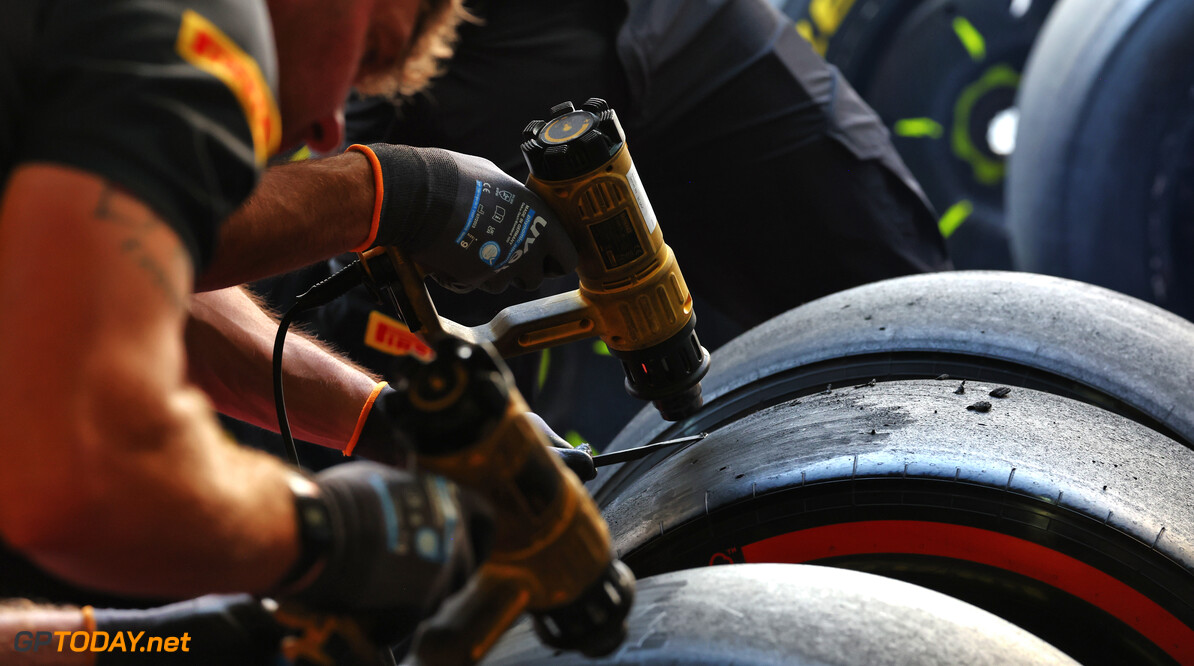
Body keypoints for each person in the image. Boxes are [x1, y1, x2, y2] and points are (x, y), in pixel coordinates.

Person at [0, 0, 546, 662]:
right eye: (369, 50)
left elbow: (111, 273)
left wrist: (385, 422)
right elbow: (83, 465)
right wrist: (329, 533)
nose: (326, 129)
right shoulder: (208, 25)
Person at [234, 0, 954, 447]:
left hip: (677, 28)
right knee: (394, 338)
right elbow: (171, 242)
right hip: (447, 78)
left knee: (927, 331)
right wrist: (387, 190)